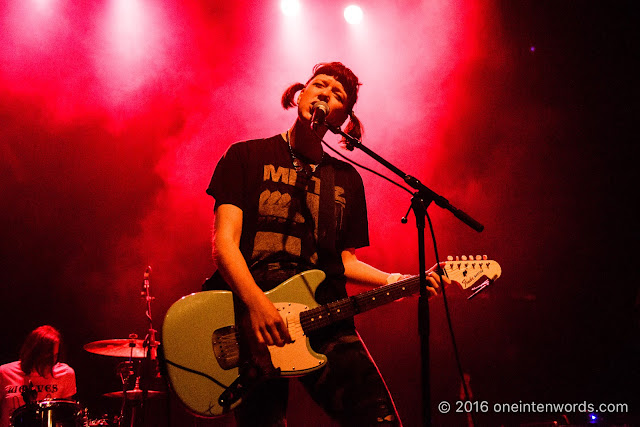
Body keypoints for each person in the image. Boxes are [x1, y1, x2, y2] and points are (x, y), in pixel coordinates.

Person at [206, 62, 447, 426]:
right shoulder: (245, 156)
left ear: (344, 118)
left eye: (338, 95)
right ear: (300, 94)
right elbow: (224, 244)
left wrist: (398, 281)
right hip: (251, 316)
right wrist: (256, 305)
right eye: (318, 85)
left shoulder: (347, 179)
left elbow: (343, 263)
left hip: (325, 316)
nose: (324, 94)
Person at [0, 325, 77, 427]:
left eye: (55, 356)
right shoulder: (4, 372)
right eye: (47, 357)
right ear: (32, 353)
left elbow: (66, 417)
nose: (51, 362)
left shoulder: (66, 373)